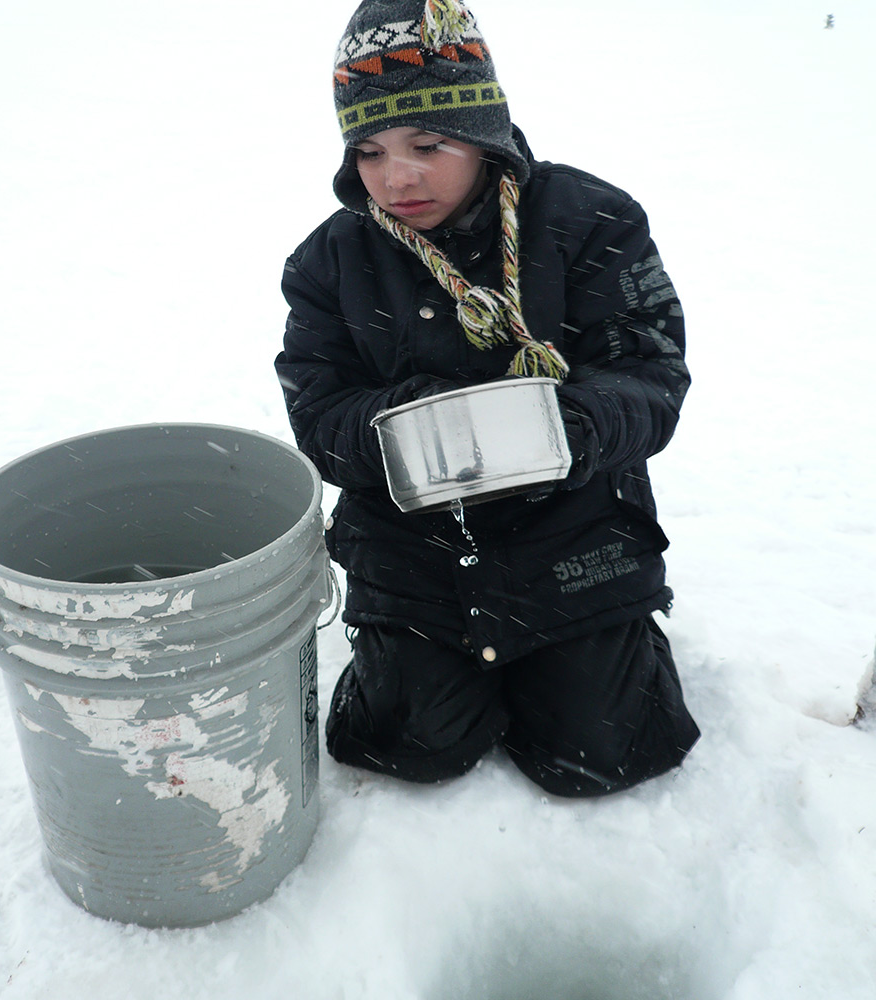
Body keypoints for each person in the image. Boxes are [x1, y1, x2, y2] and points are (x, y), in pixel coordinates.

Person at [275, 0, 700, 797]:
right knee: (411, 746)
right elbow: (318, 414)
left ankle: (607, 641)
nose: (395, 176)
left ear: (481, 129)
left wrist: (565, 426)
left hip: (574, 522)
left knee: (604, 754)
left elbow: (651, 374)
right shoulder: (329, 262)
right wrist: (421, 423)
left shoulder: (592, 220)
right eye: (368, 151)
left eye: (426, 145)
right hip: (412, 538)